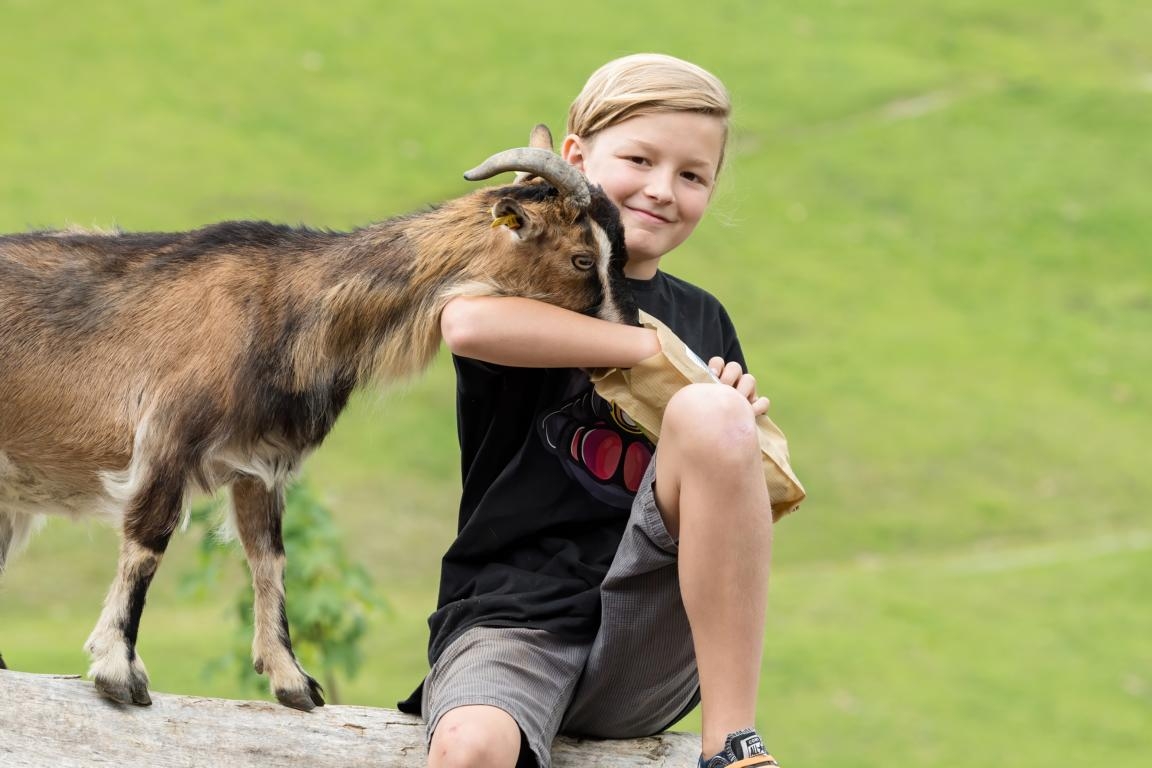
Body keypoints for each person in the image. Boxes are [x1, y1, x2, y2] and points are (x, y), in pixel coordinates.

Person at [398, 53, 782, 768]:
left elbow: (736, 510)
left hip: (652, 636)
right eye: (640, 159)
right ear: (575, 158)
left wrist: (732, 422)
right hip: (512, 620)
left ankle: (733, 746)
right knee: (468, 746)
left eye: (693, 176)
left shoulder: (705, 317)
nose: (663, 190)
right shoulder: (528, 275)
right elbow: (467, 324)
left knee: (717, 415)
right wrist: (649, 351)